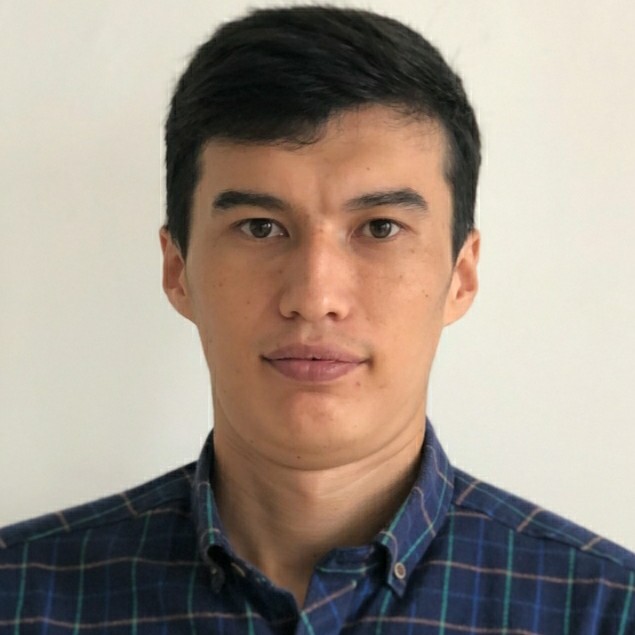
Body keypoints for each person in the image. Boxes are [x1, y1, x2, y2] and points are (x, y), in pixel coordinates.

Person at [1, 5, 633, 634]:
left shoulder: (605, 611)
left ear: (460, 276)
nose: (314, 295)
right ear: (177, 268)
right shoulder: (19, 597)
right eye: (260, 227)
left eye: (380, 228)